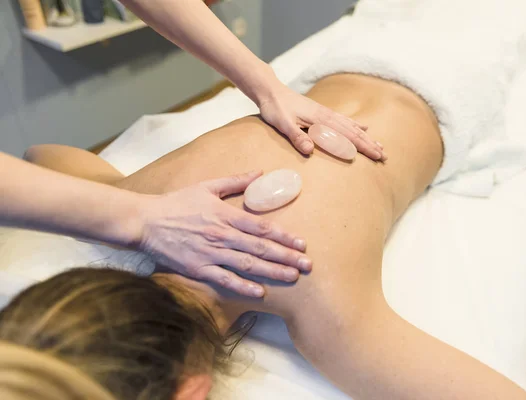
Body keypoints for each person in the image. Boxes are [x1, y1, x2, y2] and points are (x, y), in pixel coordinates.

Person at [0, 72, 526, 399]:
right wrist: (121, 206)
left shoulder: (326, 313)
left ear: (192, 393)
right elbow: (42, 155)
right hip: (342, 71)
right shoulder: (139, 198)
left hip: (448, 98)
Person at [0, 0, 385, 297]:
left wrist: (266, 85)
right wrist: (138, 219)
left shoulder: (152, 196)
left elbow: (40, 154)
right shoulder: (311, 290)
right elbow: (41, 153)